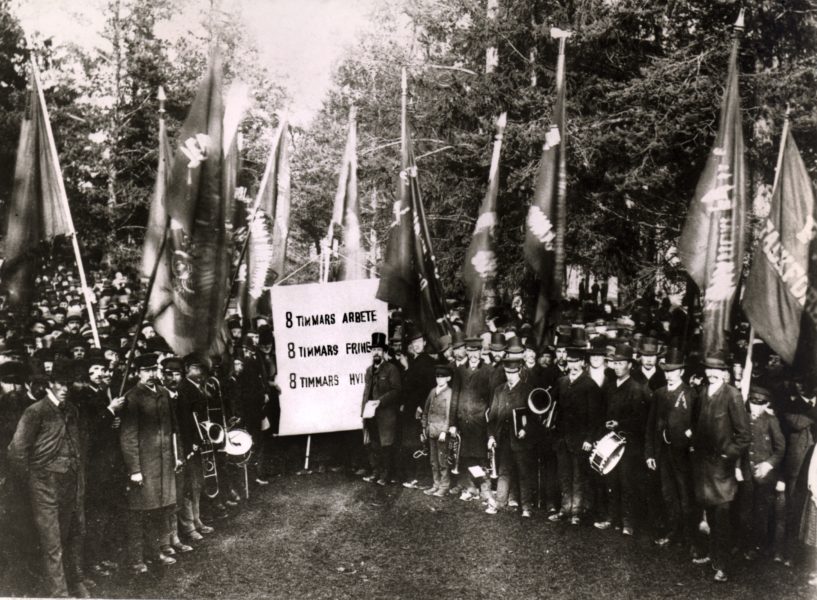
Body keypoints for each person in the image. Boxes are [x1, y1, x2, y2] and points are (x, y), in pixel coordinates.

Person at [7, 359, 88, 597]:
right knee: (52, 542)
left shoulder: (71, 410)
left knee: (65, 536)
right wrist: (32, 479)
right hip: (44, 485)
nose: (65, 389)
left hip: (68, 484)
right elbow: (16, 450)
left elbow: (76, 447)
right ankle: (59, 594)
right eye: (61, 384)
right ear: (50, 384)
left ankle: (67, 584)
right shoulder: (36, 411)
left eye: (68, 384)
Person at [690, 351, 751, 583]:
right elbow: (697, 425)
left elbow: (744, 436)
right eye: (708, 368)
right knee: (711, 515)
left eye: (717, 369)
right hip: (704, 468)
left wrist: (728, 455)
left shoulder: (732, 395)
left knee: (723, 516)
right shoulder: (703, 393)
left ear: (725, 373)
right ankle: (713, 555)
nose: (712, 373)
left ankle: (723, 565)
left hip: (722, 469)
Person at [119, 352, 182, 574]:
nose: (152, 374)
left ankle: (156, 552)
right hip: (145, 466)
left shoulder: (164, 393)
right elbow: (128, 437)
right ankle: (137, 559)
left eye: (154, 369)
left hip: (164, 463)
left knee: (159, 509)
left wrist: (177, 455)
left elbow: (174, 429)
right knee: (139, 513)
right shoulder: (132, 397)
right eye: (147, 371)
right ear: (138, 373)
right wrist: (134, 469)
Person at [594, 343, 650, 537]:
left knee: (627, 483)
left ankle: (628, 522)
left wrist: (619, 423)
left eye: (621, 363)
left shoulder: (637, 389)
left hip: (628, 445)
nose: (617, 367)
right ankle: (612, 518)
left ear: (629, 365)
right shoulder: (608, 388)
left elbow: (641, 419)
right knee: (610, 479)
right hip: (610, 442)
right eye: (614, 363)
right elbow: (600, 413)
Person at [644, 347, 697, 551]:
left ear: (681, 372)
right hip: (663, 453)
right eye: (666, 371)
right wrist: (650, 453)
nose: (669, 375)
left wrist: (688, 438)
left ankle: (690, 539)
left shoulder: (691, 394)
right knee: (668, 495)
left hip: (683, 454)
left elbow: (697, 425)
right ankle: (673, 533)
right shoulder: (659, 394)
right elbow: (650, 425)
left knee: (686, 495)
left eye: (673, 371)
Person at [553, 347, 602, 525]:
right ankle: (565, 509)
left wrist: (589, 439)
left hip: (581, 441)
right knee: (564, 475)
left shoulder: (590, 385)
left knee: (578, 477)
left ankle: (576, 512)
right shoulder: (562, 382)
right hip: (562, 439)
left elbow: (595, 416)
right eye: (570, 361)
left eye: (576, 362)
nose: (573, 365)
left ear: (583, 363)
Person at [738, 385, 785, 560]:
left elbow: (780, 449)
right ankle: (744, 543)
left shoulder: (771, 421)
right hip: (746, 472)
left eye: (760, 404)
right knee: (744, 511)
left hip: (764, 475)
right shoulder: (742, 418)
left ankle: (757, 546)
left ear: (766, 405)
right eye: (752, 402)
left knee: (761, 512)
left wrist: (768, 464)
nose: (755, 407)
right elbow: (738, 444)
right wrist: (737, 467)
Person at [486, 354, 534, 517]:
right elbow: (492, 417)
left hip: (521, 441)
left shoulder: (528, 390)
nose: (510, 376)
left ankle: (526, 507)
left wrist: (526, 430)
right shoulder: (499, 390)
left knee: (523, 473)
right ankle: (499, 502)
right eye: (507, 372)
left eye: (513, 372)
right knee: (503, 472)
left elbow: (534, 417)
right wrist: (491, 436)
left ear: (519, 371)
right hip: (504, 440)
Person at [451, 336, 492, 502]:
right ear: (467, 352)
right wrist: (453, 423)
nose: (473, 354)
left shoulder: (489, 371)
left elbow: (491, 399)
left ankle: (484, 487)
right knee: (466, 456)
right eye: (470, 351)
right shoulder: (460, 371)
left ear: (481, 352)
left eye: (476, 351)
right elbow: (455, 397)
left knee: (481, 457)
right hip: (463, 423)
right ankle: (470, 487)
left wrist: (488, 421)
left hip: (480, 424)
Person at [361, 332, 402, 485]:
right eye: (373, 350)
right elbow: (366, 393)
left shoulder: (391, 369)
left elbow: (397, 391)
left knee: (386, 445)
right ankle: (376, 472)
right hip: (370, 414)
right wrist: (363, 413)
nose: (376, 353)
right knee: (373, 445)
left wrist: (380, 401)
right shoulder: (369, 370)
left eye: (379, 350)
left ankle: (386, 475)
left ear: (384, 352)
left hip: (386, 415)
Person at [421, 364, 457, 497]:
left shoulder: (449, 393)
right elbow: (426, 411)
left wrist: (444, 431)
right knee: (433, 461)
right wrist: (424, 427)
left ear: (448, 378)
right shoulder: (432, 391)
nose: (439, 379)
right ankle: (435, 485)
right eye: (437, 377)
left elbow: (449, 415)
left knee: (443, 461)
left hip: (442, 433)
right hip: (431, 431)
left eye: (442, 377)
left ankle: (444, 486)